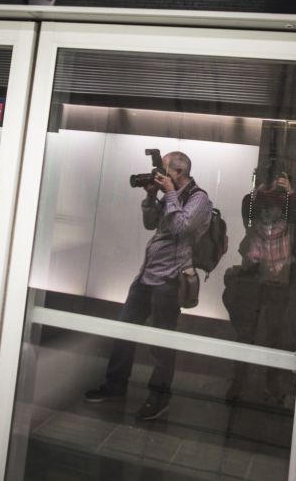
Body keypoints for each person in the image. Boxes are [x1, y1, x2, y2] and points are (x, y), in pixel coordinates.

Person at [83, 151, 212, 420]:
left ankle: (159, 397)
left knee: (161, 343)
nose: (160, 175)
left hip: (171, 280)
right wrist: (152, 196)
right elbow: (150, 224)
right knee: (125, 331)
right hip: (146, 276)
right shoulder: (170, 193)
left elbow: (179, 228)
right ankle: (115, 385)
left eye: (164, 170)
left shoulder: (199, 198)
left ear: (178, 172)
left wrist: (170, 194)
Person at [222, 165, 296, 407]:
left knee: (276, 335)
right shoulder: (255, 204)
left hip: (280, 280)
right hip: (252, 277)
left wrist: (289, 193)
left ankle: (272, 384)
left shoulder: (289, 208)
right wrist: (260, 190)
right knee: (245, 334)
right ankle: (238, 384)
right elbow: (246, 214)